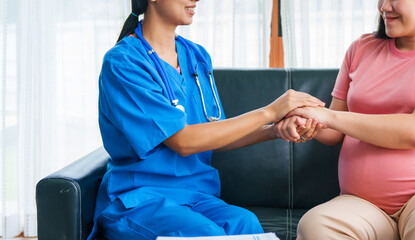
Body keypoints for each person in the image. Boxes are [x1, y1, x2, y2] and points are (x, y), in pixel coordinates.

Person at [87, 0, 325, 239]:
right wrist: (270, 111)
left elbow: (215, 135)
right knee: (206, 234)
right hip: (139, 199)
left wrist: (275, 129)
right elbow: (184, 141)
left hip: (195, 197)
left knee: (245, 223)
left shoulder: (196, 56)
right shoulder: (124, 62)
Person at [275, 0, 415, 239]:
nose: (384, 6)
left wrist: (330, 117)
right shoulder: (361, 49)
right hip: (364, 204)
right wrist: (302, 118)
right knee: (316, 225)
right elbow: (332, 133)